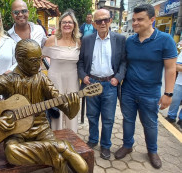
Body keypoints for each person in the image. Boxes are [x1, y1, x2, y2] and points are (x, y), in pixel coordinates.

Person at [0, 39, 88, 173]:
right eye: (33, 61)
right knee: (11, 152)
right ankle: (60, 147)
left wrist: (74, 105)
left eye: (39, 59)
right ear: (19, 59)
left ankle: (55, 150)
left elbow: (68, 111)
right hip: (15, 132)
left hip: (41, 130)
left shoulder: (42, 79)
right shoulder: (8, 80)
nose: (38, 65)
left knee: (55, 157)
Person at [114, 4, 177, 169]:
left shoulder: (165, 40)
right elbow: (124, 63)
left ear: (152, 20)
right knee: (128, 120)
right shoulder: (130, 41)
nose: (135, 23)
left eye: (139, 19)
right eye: (134, 20)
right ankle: (127, 145)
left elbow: (171, 68)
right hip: (128, 89)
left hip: (150, 92)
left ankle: (152, 151)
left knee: (150, 123)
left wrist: (168, 94)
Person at [77, 9, 126, 160]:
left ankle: (105, 145)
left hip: (110, 84)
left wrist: (117, 78)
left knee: (108, 118)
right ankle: (92, 140)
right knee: (92, 115)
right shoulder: (87, 40)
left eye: (105, 19)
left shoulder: (119, 39)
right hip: (91, 82)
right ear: (94, 23)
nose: (102, 23)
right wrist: (83, 76)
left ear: (111, 20)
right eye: (99, 21)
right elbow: (81, 62)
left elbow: (124, 61)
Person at [42, 10, 81, 133]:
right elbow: (39, 58)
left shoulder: (78, 42)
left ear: (74, 25)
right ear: (60, 25)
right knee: (56, 111)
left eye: (70, 22)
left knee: (72, 110)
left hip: (72, 81)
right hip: (55, 81)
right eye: (64, 22)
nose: (67, 25)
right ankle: (56, 139)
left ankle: (72, 138)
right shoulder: (52, 40)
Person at [165, 45, 182, 129]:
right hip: (180, 83)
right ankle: (171, 116)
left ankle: (181, 120)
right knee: (175, 100)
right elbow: (177, 66)